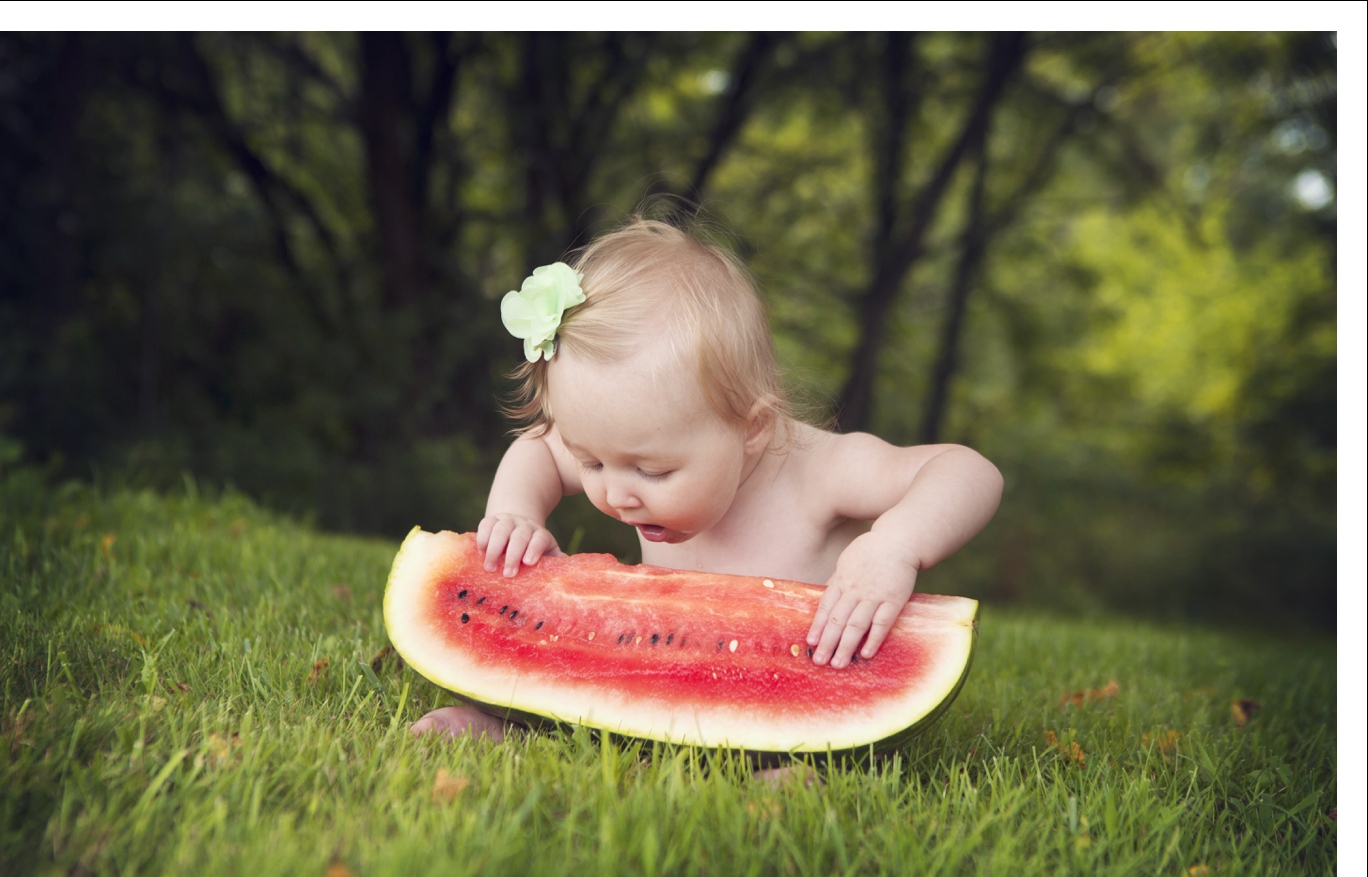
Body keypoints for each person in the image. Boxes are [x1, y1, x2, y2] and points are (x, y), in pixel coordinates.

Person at [413, 216, 1003, 741]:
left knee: (799, 741)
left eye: (653, 470)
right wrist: (515, 511)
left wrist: (894, 545)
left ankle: (801, 769)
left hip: (796, 691)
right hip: (647, 676)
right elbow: (538, 449)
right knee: (567, 675)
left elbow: (966, 471)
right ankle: (509, 721)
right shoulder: (631, 446)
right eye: (590, 462)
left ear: (752, 429)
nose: (616, 493)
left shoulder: (817, 470)